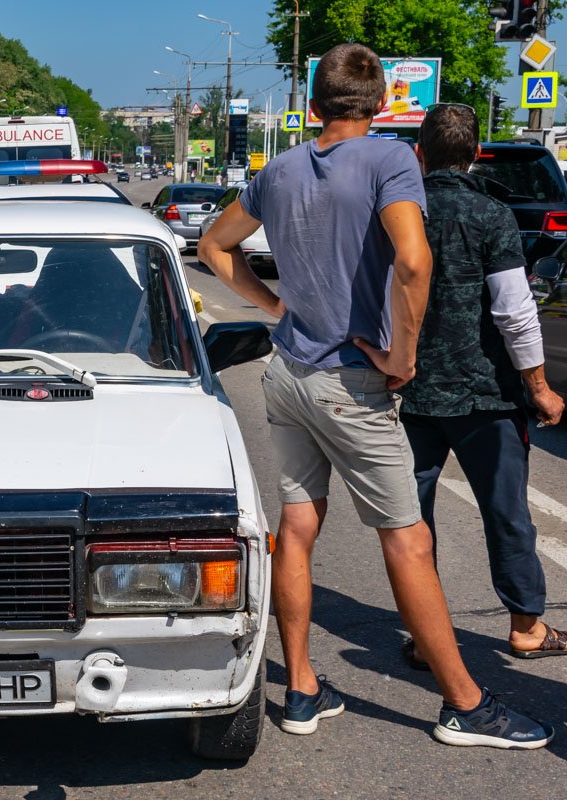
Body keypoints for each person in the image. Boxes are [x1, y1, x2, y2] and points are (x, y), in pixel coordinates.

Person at [197, 42, 551, 749]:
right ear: (384, 103)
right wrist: (403, 353)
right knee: (409, 540)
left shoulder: (280, 169)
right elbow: (414, 261)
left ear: (310, 105)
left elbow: (213, 246)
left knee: (296, 526)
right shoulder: (392, 160)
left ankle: (300, 689)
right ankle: (465, 705)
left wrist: (275, 307)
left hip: (288, 372)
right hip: (351, 383)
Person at [396, 103, 566, 668]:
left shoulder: (400, 214)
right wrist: (539, 387)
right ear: (474, 155)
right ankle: (525, 626)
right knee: (506, 511)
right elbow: (516, 314)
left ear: (420, 153)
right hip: (485, 396)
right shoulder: (491, 216)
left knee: (412, 518)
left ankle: (425, 637)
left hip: (410, 393)